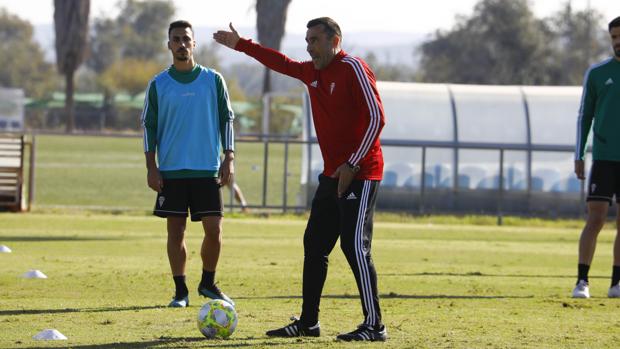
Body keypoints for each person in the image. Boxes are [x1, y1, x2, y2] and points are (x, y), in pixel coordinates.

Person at [214, 17, 387, 341]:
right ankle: (309, 323)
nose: (310, 47)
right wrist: (242, 45)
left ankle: (375, 325)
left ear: (335, 40)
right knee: (315, 245)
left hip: (362, 173)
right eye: (307, 41)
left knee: (354, 247)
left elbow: (377, 118)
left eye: (315, 40)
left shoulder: (353, 68)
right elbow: (282, 63)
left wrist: (352, 164)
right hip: (332, 175)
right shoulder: (311, 73)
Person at [141, 20, 236, 308]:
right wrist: (151, 166)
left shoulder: (213, 80)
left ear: (194, 44)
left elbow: (227, 119)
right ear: (169, 45)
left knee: (215, 231)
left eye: (186, 39)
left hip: (207, 169)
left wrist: (229, 157)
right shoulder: (158, 84)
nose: (182, 44)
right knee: (175, 232)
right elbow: (149, 126)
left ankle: (208, 283)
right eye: (176, 39)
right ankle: (180, 291)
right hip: (171, 170)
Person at [572, 16, 620, 299]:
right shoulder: (598, 73)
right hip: (603, 159)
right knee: (596, 219)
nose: (617, 42)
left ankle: (616, 284)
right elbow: (584, 115)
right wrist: (579, 154)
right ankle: (582, 281)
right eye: (614, 37)